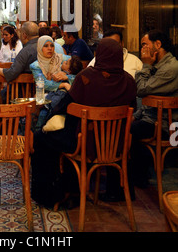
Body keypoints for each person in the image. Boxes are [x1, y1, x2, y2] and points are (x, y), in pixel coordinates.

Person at [31, 38, 137, 208]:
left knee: (41, 138)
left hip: (84, 142)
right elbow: (132, 110)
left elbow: (64, 105)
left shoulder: (86, 78)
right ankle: (114, 191)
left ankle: (55, 194)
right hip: (116, 145)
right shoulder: (129, 81)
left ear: (99, 55)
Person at [130, 30, 178, 187]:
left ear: (158, 45)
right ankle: (136, 177)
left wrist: (145, 65)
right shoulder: (157, 65)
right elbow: (146, 99)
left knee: (127, 131)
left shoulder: (171, 68)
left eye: (145, 45)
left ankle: (134, 180)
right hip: (152, 118)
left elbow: (141, 89)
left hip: (168, 125)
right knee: (126, 125)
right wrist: (136, 115)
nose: (142, 49)